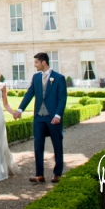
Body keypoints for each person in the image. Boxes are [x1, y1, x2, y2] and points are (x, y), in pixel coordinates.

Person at [14, 52, 67, 183]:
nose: (35, 65)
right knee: (38, 145)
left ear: (44, 62)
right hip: (39, 117)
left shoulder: (59, 78)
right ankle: (39, 175)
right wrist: (20, 110)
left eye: (36, 62)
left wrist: (58, 115)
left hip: (53, 117)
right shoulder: (36, 77)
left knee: (57, 145)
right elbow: (29, 94)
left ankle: (57, 174)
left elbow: (62, 99)